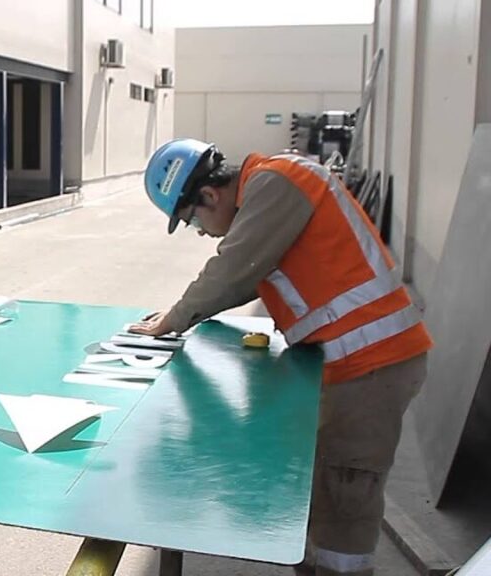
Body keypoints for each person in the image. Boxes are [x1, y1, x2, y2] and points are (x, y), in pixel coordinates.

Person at [133, 139, 432, 576]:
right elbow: (254, 274)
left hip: (372, 362)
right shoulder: (270, 189)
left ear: (210, 195)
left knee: (346, 496)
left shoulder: (275, 183)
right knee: (321, 488)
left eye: (192, 219)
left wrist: (174, 319)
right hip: (351, 362)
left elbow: (235, 267)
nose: (200, 231)